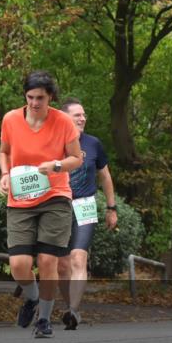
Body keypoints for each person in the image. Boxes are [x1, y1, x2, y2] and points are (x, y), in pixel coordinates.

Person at [0, 71, 82, 338]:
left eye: (41, 98)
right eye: (30, 97)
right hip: (21, 197)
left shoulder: (63, 122)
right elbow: (4, 152)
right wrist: (4, 175)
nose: (35, 103)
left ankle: (44, 320)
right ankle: (32, 298)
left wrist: (56, 165)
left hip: (55, 195)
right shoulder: (11, 119)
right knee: (19, 265)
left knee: (48, 261)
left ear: (51, 98)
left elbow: (76, 158)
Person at [55, 98, 118, 330]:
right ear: (64, 118)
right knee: (62, 266)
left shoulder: (93, 144)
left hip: (85, 204)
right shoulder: (53, 142)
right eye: (77, 115)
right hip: (59, 206)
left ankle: (73, 311)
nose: (83, 118)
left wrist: (112, 208)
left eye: (84, 115)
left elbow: (105, 177)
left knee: (79, 258)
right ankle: (68, 305)